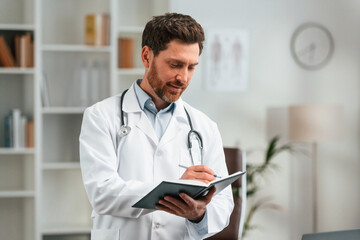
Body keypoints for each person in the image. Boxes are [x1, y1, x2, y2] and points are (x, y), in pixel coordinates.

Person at [79, 13, 234, 240]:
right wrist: (173, 189)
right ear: (146, 56)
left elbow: (224, 203)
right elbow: (102, 193)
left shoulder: (204, 127)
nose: (183, 77)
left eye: (191, 67)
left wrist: (198, 214)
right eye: (175, 65)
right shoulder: (101, 116)